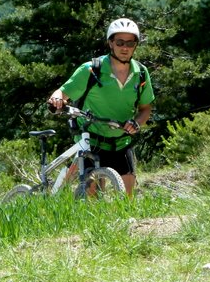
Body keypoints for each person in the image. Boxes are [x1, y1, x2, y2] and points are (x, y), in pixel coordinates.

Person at [47, 18, 154, 196]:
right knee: (94, 201)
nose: (125, 47)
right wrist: (56, 99)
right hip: (93, 140)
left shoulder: (140, 73)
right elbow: (62, 92)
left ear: (136, 45)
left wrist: (136, 123)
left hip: (121, 140)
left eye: (130, 42)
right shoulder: (91, 70)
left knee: (128, 200)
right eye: (120, 42)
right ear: (110, 43)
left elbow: (145, 108)